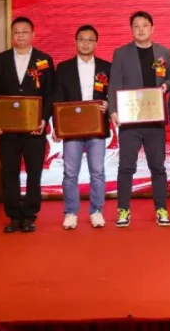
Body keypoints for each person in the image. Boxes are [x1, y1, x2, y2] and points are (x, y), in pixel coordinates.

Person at [108, 11, 170, 228]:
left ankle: (161, 209)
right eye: (136, 26)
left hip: (155, 120)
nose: (141, 30)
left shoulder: (164, 52)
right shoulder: (121, 53)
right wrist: (113, 110)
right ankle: (123, 209)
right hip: (130, 120)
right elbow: (114, 83)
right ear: (131, 29)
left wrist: (165, 85)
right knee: (126, 167)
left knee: (158, 167)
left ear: (152, 28)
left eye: (145, 25)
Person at [0, 16, 55, 233]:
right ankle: (14, 215)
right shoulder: (0, 60)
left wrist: (43, 119)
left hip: (34, 129)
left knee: (34, 173)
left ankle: (30, 215)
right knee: (9, 173)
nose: (20, 36)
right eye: (16, 32)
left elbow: (50, 93)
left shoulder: (44, 60)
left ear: (33, 35)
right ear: (12, 35)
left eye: (25, 32)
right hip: (7, 131)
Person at [52, 25, 111, 230]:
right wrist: (58, 127)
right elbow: (58, 98)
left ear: (96, 43)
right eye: (82, 39)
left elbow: (112, 94)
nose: (86, 43)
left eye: (90, 40)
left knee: (98, 172)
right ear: (75, 42)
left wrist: (108, 105)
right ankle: (70, 212)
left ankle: (97, 211)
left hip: (97, 127)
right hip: (72, 129)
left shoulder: (106, 67)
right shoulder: (64, 68)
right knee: (70, 173)